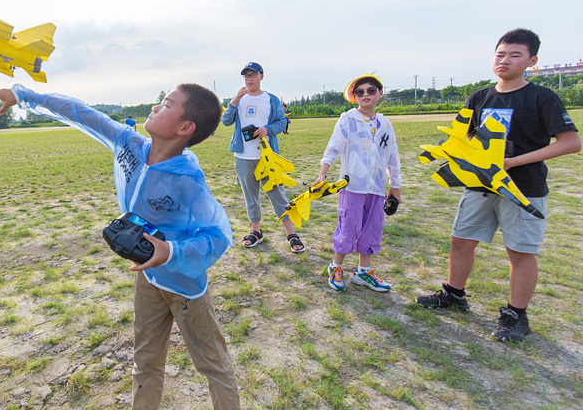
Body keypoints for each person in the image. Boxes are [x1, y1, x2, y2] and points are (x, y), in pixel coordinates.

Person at [0, 84, 251, 410]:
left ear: (185, 128)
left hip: (185, 288)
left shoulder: (188, 181)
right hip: (147, 281)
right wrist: (23, 96)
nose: (155, 106)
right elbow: (80, 112)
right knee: (145, 361)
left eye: (166, 104)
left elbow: (218, 235)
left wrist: (171, 252)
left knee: (213, 365)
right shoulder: (129, 145)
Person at [415, 28, 580, 342]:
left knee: (519, 251)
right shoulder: (480, 97)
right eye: (500, 54)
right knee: (461, 240)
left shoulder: (542, 97)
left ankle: (516, 315)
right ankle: (454, 295)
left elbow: (571, 143)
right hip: (478, 185)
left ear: (532, 61)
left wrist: (513, 162)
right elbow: (464, 136)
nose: (505, 60)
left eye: (515, 55)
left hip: (522, 188)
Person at [315, 74, 401, 293]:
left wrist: (395, 186)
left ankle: (363, 272)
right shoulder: (348, 119)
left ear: (380, 94)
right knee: (348, 228)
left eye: (371, 90)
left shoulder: (385, 124)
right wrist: (322, 174)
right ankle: (336, 267)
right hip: (352, 187)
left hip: (377, 188)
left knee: (372, 230)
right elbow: (334, 147)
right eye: (359, 92)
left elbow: (392, 156)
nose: (365, 95)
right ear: (354, 97)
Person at [222, 62, 305, 252]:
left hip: (267, 156)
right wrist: (234, 101)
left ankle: (291, 233)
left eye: (253, 75)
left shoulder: (271, 99)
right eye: (246, 76)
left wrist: (267, 129)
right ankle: (256, 231)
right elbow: (226, 121)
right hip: (243, 156)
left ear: (261, 76)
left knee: (277, 193)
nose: (249, 79)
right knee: (250, 195)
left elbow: (282, 122)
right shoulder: (239, 100)